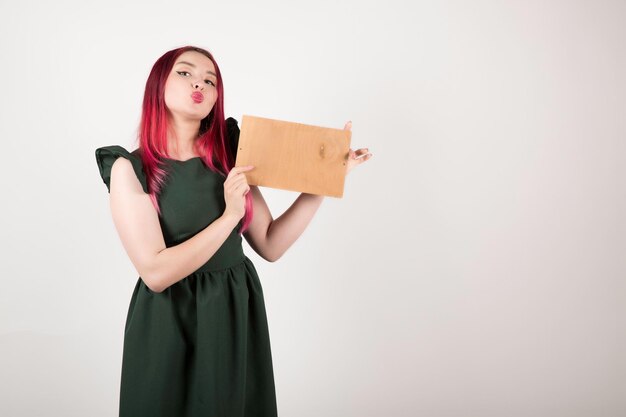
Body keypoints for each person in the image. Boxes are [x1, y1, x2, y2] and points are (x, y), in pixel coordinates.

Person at [94, 45, 372, 417]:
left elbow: (271, 243)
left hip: (231, 313)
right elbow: (156, 273)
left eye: (210, 80)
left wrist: (326, 179)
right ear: (158, 84)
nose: (200, 83)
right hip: (167, 321)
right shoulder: (130, 168)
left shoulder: (230, 158)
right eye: (185, 73)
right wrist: (229, 217)